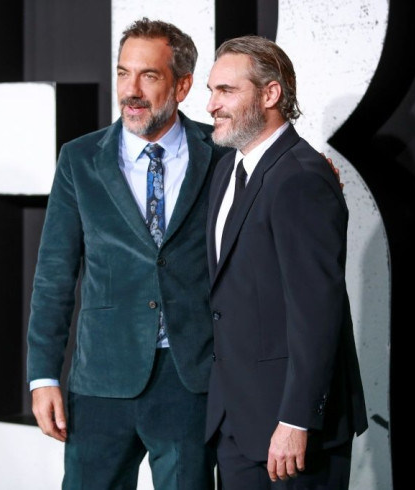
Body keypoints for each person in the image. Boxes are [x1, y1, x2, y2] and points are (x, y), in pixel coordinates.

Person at [26, 18, 227, 489]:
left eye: (148, 76)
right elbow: (55, 273)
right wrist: (42, 376)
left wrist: (314, 171)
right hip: (101, 381)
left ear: (182, 85)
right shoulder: (80, 159)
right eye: (123, 73)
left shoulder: (220, 155)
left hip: (189, 379)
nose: (130, 90)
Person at [204, 35, 368, 489]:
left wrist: (296, 420)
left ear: (271, 94)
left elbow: (318, 311)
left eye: (226, 91)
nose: (211, 105)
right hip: (235, 422)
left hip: (290, 432)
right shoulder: (227, 169)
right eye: (210, 91)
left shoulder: (300, 176)